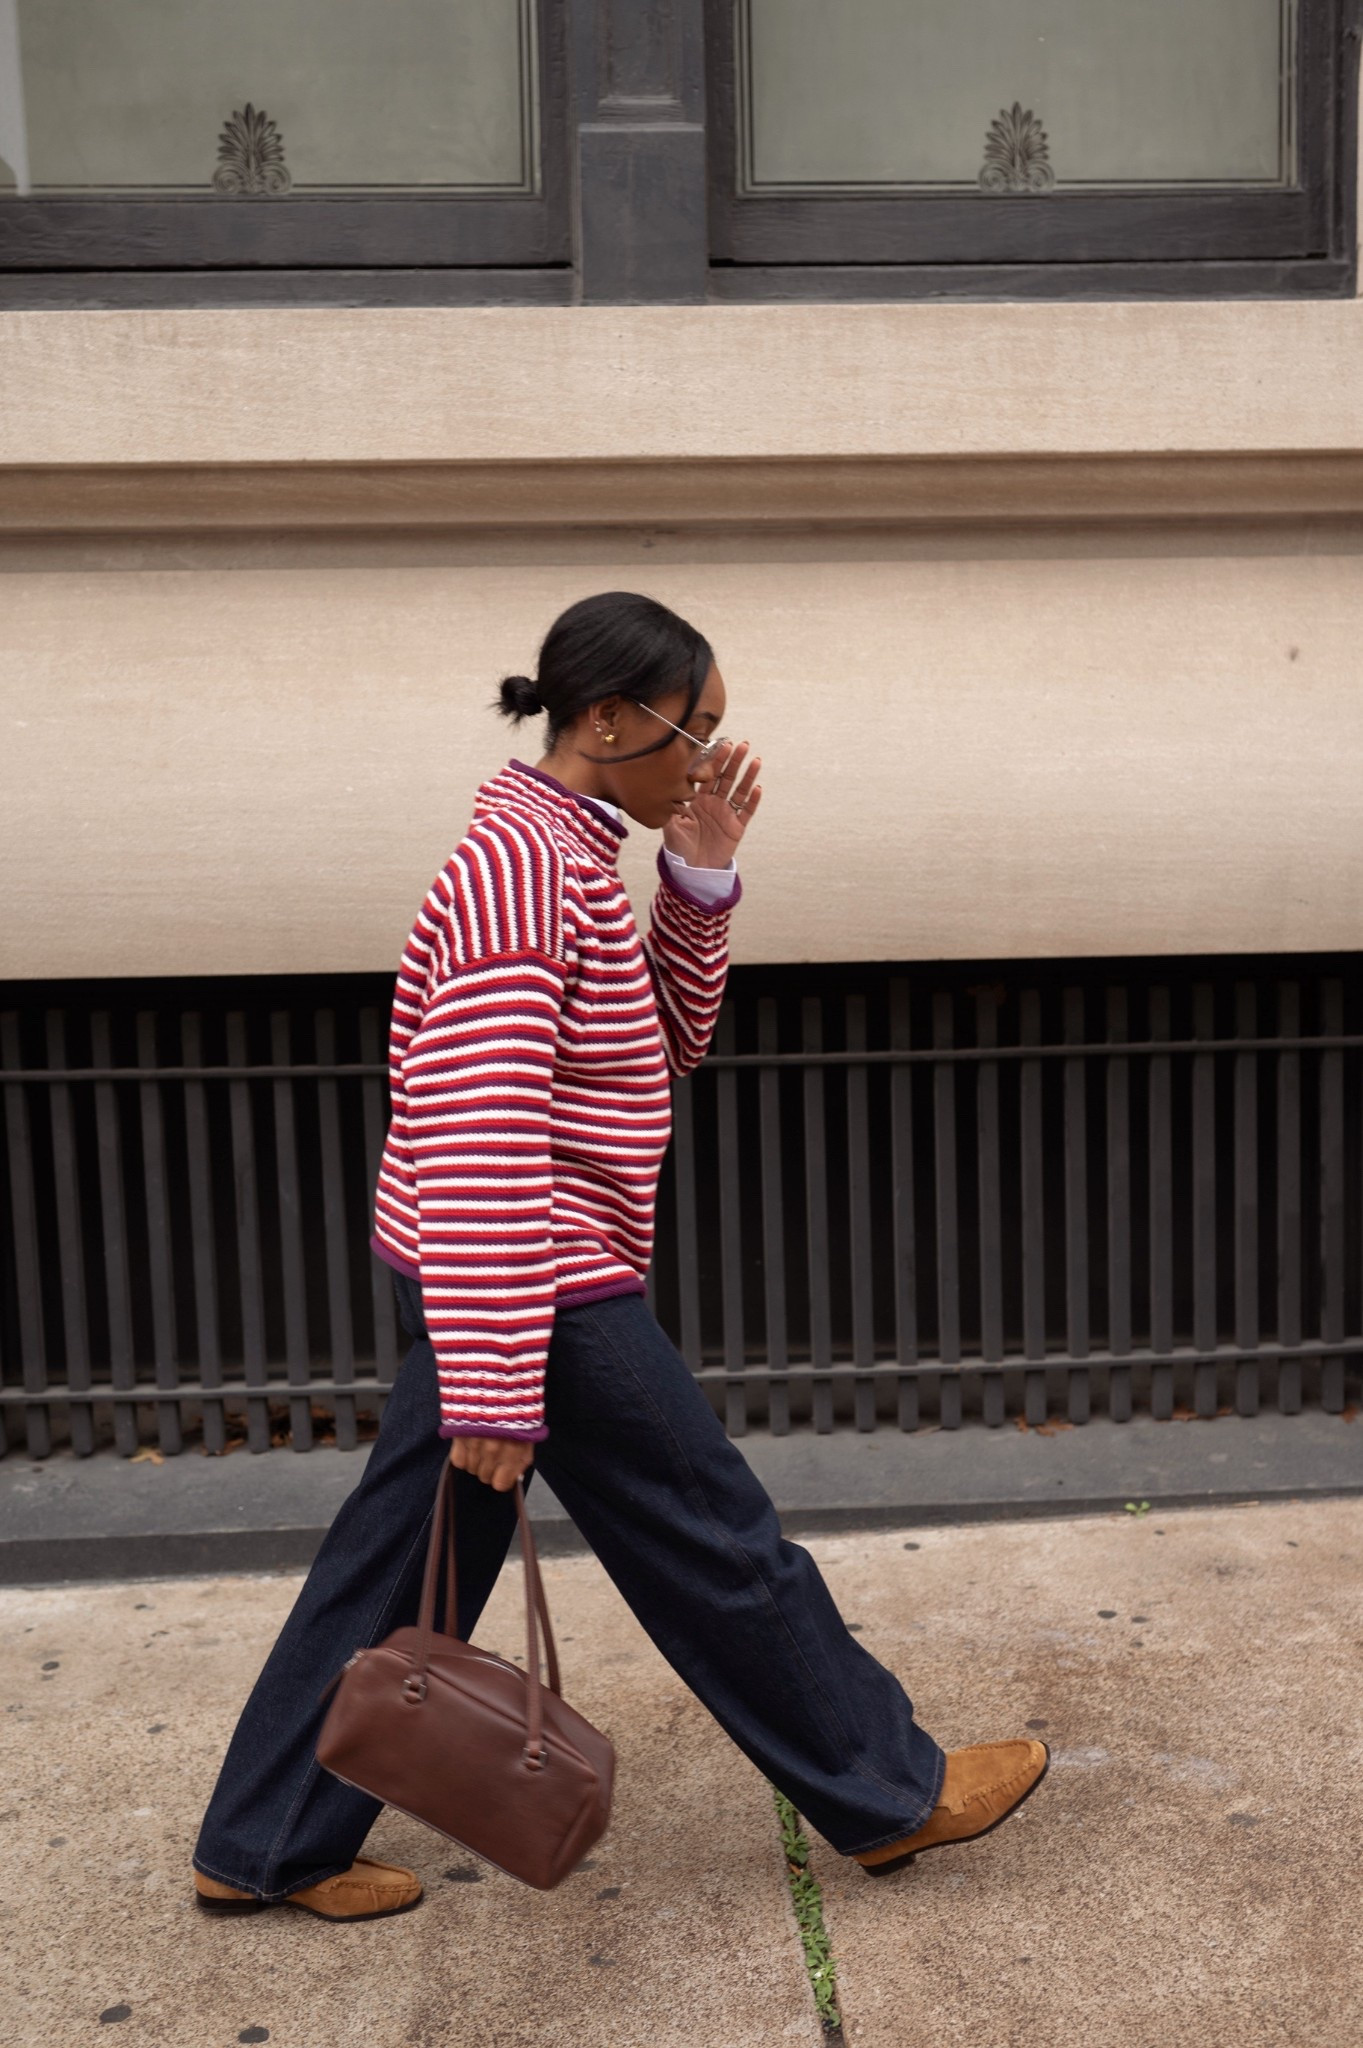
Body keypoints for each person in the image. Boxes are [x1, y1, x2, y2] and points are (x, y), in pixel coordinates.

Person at [191, 590, 1047, 1922]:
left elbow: (661, 1044)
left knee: (393, 1558)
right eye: (690, 733)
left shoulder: (569, 855)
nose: (707, 757)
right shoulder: (520, 875)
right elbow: (481, 1135)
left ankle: (261, 1842)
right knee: (718, 1541)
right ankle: (891, 1792)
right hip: (536, 1280)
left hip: (504, 1272)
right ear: (604, 719)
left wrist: (697, 877)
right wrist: (493, 1378)